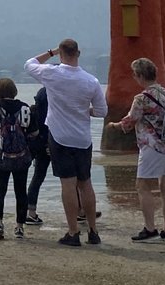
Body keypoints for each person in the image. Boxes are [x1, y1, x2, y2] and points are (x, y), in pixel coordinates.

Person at [24, 39, 106, 247]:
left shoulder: (53, 74)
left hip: (60, 137)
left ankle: (73, 231)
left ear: (61, 54)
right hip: (82, 138)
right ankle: (93, 231)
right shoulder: (91, 81)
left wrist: (50, 52)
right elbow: (102, 112)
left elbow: (29, 64)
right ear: (78, 53)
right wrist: (84, 111)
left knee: (68, 185)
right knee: (85, 184)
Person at [112, 58, 165, 243]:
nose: (134, 78)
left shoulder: (142, 98)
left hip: (153, 146)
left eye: (135, 75)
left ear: (141, 76)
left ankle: (150, 229)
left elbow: (130, 120)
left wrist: (114, 125)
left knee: (142, 186)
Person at [0, 77, 40, 240]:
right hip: (22, 157)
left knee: (0, 189)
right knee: (21, 191)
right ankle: (19, 227)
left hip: (0, 157)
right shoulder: (25, 109)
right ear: (14, 91)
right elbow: (34, 133)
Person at [23, 86, 52, 226]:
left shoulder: (42, 94)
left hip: (39, 141)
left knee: (38, 177)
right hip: (53, 140)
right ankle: (81, 210)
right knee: (72, 177)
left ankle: (31, 212)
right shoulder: (54, 93)